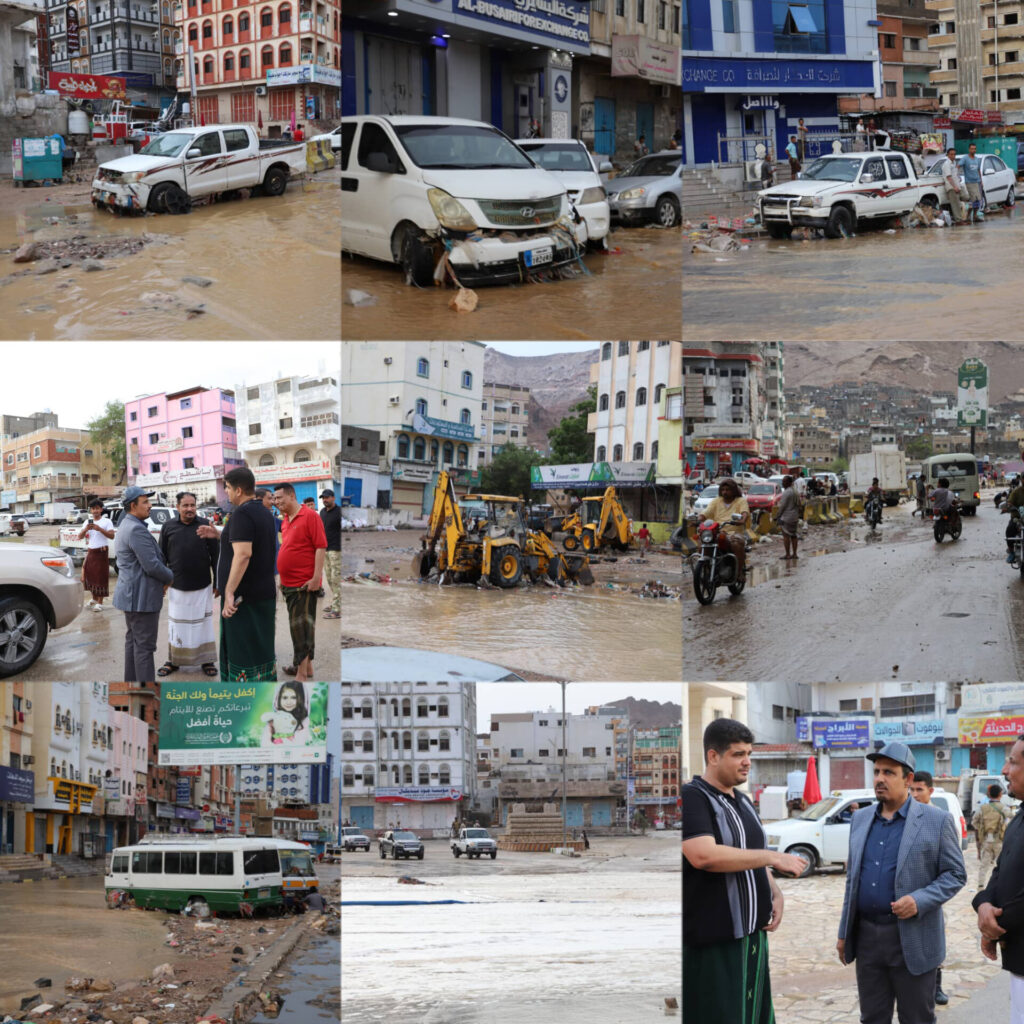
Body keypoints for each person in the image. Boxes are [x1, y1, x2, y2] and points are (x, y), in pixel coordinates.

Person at [683, 719, 807, 1024]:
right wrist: (773, 857)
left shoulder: (744, 801)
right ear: (713, 756)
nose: (747, 762)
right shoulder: (692, 798)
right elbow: (703, 855)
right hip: (715, 942)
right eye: (738, 754)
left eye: (749, 753)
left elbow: (750, 855)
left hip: (752, 937)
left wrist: (774, 891)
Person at [837, 742, 966, 1024]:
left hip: (913, 938)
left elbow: (956, 874)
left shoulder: (937, 820)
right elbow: (852, 881)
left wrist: (919, 900)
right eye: (876, 771)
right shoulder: (860, 819)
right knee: (872, 1017)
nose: (880, 779)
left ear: (908, 779)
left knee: (917, 1018)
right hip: (868, 940)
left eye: (889, 772)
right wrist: (844, 931)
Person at [198, 466, 278, 681]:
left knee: (242, 653)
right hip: (263, 593)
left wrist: (229, 592)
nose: (227, 493)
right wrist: (219, 535)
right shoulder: (264, 511)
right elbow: (249, 542)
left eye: (228, 489)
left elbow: (243, 554)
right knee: (261, 650)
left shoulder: (242, 513)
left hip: (244, 599)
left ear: (239, 490)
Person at [973, 735, 1024, 1018]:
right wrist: (983, 904)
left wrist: (994, 925)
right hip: (1017, 961)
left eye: (1012, 762)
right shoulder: (1018, 818)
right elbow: (1000, 872)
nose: (1005, 770)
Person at [111, 485, 175, 683]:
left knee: (134, 644)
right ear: (133, 505)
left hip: (133, 597)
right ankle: (146, 692)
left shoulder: (127, 525)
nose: (150, 505)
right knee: (144, 648)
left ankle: (132, 685)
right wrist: (171, 577)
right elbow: (152, 566)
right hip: (140, 599)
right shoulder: (135, 529)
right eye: (145, 502)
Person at [158, 491, 220, 678]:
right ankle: (174, 660)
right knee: (177, 625)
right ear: (177, 507)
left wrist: (218, 581)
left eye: (192, 505)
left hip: (202, 586)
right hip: (177, 586)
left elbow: (216, 556)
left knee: (203, 624)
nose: (189, 509)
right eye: (185, 505)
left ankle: (206, 660)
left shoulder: (205, 525)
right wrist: (162, 582)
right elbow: (161, 557)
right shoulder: (168, 527)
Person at [274, 482, 328, 682]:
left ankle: (302, 674)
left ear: (291, 496)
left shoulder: (311, 516)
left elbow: (320, 547)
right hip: (289, 583)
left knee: (301, 629)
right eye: (275, 499)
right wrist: (282, 577)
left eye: (280, 498)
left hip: (304, 584)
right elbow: (288, 548)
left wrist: (316, 578)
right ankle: (308, 667)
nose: (276, 502)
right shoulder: (285, 520)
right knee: (300, 626)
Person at [910, 770, 951, 1006]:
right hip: (907, 891)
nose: (915, 795)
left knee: (934, 939)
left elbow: (951, 866)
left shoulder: (939, 818)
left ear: (930, 791)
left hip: (932, 892)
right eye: (912, 790)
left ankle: (936, 986)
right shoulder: (904, 817)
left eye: (919, 790)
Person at [704, 478, 751, 580]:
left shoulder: (740, 501)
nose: (724, 492)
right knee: (703, 543)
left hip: (734, 532)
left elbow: (744, 512)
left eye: (727, 489)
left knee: (736, 544)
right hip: (718, 531)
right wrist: (697, 519)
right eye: (723, 489)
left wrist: (742, 519)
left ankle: (739, 573)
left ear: (733, 490)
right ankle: (707, 569)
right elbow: (706, 512)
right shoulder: (716, 501)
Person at [973, 783, 1012, 890]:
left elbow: (974, 823)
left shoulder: (982, 808)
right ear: (1000, 794)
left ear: (989, 795)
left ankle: (980, 887)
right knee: (1001, 865)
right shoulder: (1004, 808)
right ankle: (1000, 886)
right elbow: (1014, 819)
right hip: (999, 840)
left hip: (986, 840)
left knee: (984, 866)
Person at [79, 499, 114, 611]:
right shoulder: (87, 522)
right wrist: (85, 530)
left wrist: (99, 529)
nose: (95, 511)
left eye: (97, 508)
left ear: (101, 509)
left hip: (102, 551)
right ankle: (94, 599)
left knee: (100, 576)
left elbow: (112, 536)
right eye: (93, 509)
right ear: (91, 510)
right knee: (90, 576)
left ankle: (100, 602)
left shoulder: (106, 521)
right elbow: (80, 536)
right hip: (91, 551)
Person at [319, 489, 340, 619]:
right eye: (323, 498)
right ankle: (336, 604)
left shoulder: (339, 512)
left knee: (336, 579)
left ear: (333, 498)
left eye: (327, 497)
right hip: (325, 549)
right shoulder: (322, 512)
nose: (324, 500)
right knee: (330, 579)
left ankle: (338, 610)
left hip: (337, 550)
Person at [774, 475, 801, 560]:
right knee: (794, 536)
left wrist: (777, 516)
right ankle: (795, 554)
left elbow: (782, 506)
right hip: (794, 517)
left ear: (789, 483)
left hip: (787, 517)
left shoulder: (787, 492)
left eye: (784, 481)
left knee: (786, 536)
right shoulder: (795, 491)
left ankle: (788, 554)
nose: (782, 483)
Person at [939, 147, 968, 224]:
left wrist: (958, 180)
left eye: (954, 154)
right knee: (955, 204)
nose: (953, 156)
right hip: (951, 187)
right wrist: (954, 187)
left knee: (966, 198)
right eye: (951, 154)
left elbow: (954, 174)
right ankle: (958, 220)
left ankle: (963, 218)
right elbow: (948, 177)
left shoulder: (954, 163)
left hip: (957, 186)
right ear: (948, 155)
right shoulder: (947, 164)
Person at [1004, 476, 1024, 564]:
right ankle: (1011, 551)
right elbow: (1010, 502)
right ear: (1021, 480)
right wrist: (1008, 506)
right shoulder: (1016, 492)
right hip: (1018, 518)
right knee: (1009, 530)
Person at [963, 141, 984, 219]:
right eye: (972, 149)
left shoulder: (977, 159)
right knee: (972, 200)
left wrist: (981, 181)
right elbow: (958, 166)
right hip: (969, 183)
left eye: (974, 149)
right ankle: (968, 217)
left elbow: (978, 170)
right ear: (969, 149)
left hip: (977, 182)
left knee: (977, 201)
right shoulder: (965, 159)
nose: (973, 150)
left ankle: (975, 216)